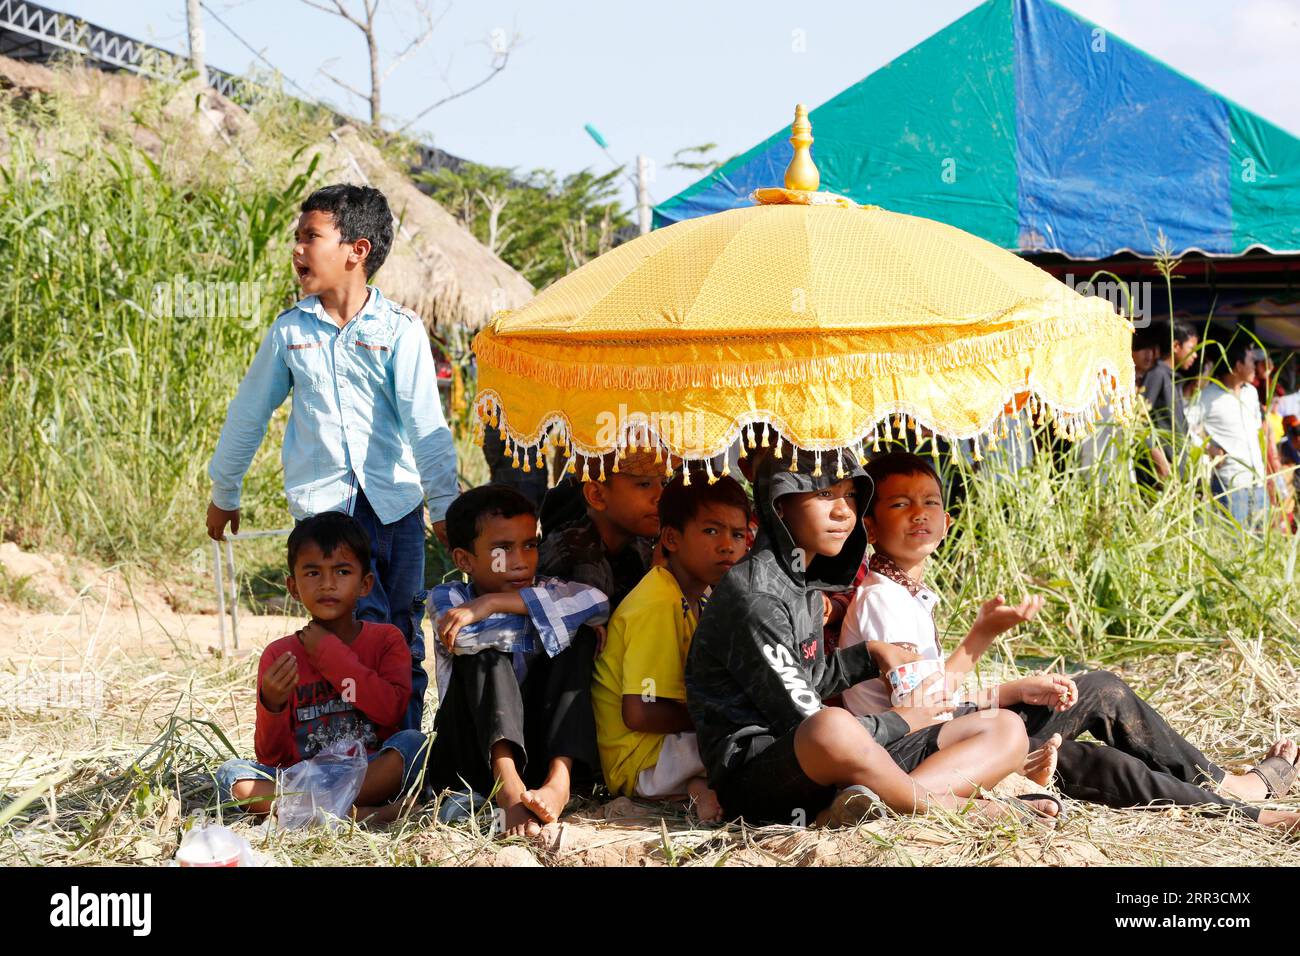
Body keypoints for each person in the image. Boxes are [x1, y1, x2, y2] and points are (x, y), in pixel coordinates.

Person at [836, 451, 1300, 832]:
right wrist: (979, 639)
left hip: (941, 736)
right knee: (1097, 701)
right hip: (909, 755)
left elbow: (935, 698)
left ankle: (1241, 809)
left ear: (948, 519)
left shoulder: (906, 594)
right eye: (899, 504)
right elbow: (918, 708)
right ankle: (1239, 797)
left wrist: (1012, 690)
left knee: (1088, 743)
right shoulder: (883, 601)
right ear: (870, 527)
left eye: (930, 502)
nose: (919, 513)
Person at [685, 445, 1057, 828]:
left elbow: (807, 677)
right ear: (780, 505)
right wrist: (902, 720)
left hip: (838, 766)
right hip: (761, 779)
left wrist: (871, 654)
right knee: (832, 725)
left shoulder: (804, 580)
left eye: (849, 495)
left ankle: (870, 803)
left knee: (1005, 728)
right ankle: (949, 808)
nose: (844, 511)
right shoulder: (756, 596)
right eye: (824, 494)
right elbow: (802, 717)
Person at [206, 184, 458, 732]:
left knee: (398, 633)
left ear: (356, 250)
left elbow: (426, 425)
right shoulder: (289, 333)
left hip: (395, 511)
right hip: (325, 514)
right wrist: (225, 491)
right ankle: (350, 754)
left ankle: (404, 752)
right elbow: (247, 415)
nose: (297, 249)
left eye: (310, 237)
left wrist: (445, 504)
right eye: (296, 238)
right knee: (345, 632)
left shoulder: (400, 330)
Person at [214, 512, 428, 823]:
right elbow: (272, 758)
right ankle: (356, 815)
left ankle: (309, 814)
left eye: (342, 571)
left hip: (368, 775)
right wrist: (271, 704)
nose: (328, 584)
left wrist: (331, 656)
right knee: (230, 776)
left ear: (365, 583)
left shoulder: (386, 640)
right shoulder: (280, 654)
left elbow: (390, 713)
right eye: (313, 573)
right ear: (293, 586)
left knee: (414, 745)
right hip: (304, 778)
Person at [425, 485, 610, 837]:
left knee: (578, 640)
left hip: (539, 751)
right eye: (502, 549)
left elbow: (598, 603)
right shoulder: (449, 596)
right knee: (487, 654)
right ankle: (508, 790)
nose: (521, 560)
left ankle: (559, 781)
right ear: (464, 560)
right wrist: (556, 622)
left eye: (529, 544)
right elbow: (465, 638)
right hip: (472, 760)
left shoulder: (545, 586)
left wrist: (492, 604)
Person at [592, 470, 751, 823]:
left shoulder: (697, 598)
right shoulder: (659, 602)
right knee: (758, 742)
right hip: (640, 760)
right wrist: (721, 717)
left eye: (737, 534)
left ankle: (696, 789)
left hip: (667, 752)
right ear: (671, 539)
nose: (727, 545)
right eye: (711, 530)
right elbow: (640, 713)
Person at [1198, 339, 1268, 528]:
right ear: (1237, 366)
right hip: (1231, 483)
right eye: (1251, 361)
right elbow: (1187, 429)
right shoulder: (1208, 396)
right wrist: (1208, 447)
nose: (1255, 366)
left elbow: (1257, 431)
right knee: (1234, 545)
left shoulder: (1251, 393)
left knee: (1262, 544)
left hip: (1258, 481)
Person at [1142, 320, 1198, 481]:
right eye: (1191, 349)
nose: (1195, 355)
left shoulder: (1173, 378)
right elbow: (1139, 422)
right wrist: (1159, 460)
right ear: (1176, 346)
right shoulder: (1157, 374)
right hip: (1162, 473)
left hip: (1177, 469)